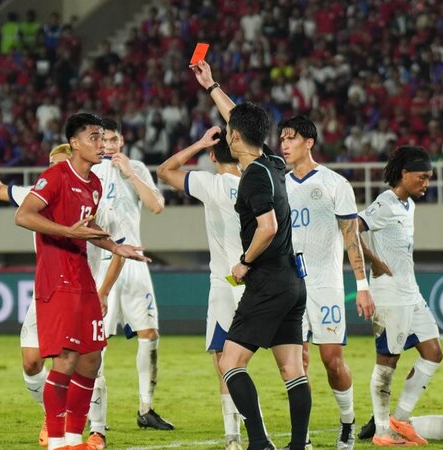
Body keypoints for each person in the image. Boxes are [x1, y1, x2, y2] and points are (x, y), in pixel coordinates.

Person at [0, 143, 125, 448]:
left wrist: (103, 291)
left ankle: (97, 431)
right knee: (31, 362)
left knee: (90, 364)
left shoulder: (97, 202)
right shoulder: (40, 192)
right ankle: (53, 413)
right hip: (48, 291)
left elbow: (119, 247)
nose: (54, 172)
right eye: (51, 166)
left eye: (60, 165)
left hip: (83, 292)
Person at [192, 60, 310, 450]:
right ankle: (297, 446)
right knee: (292, 370)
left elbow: (268, 227)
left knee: (230, 364)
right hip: (293, 283)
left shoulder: (255, 176)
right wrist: (212, 88)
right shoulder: (274, 163)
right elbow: (239, 120)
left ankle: (259, 442)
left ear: (234, 138)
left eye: (230, 131)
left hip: (267, 282)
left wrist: (244, 262)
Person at [14, 112, 149, 450]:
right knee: (66, 359)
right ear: (74, 143)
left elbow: (88, 232)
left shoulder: (95, 185)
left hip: (84, 279)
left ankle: (77, 439)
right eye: (93, 137)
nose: (101, 143)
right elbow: (23, 215)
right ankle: (58, 442)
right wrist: (67, 231)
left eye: (103, 137)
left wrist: (117, 246)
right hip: (56, 279)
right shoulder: (56, 176)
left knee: (91, 359)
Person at [278, 114, 375, 450]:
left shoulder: (336, 184)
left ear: (309, 142)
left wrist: (362, 287)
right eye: (282, 139)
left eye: (291, 138)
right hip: (291, 286)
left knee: (332, 360)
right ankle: (301, 433)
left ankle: (347, 422)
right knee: (296, 361)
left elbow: (351, 239)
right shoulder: (281, 184)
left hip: (327, 285)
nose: (284, 145)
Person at [157, 126, 250, 450]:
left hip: (225, 282)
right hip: (259, 282)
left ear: (212, 156)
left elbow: (165, 170)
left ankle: (234, 437)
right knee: (290, 358)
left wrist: (197, 143)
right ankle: (301, 439)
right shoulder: (258, 181)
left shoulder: (209, 183)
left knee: (225, 360)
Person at [87, 117, 171, 446]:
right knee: (96, 343)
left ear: (121, 141)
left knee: (150, 334)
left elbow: (157, 206)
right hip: (101, 261)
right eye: (102, 139)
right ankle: (97, 421)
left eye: (112, 139)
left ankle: (146, 408)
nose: (107, 145)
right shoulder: (89, 171)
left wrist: (131, 174)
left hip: (134, 261)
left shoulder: (135, 167)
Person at [356, 146, 442, 447]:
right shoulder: (385, 204)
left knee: (433, 352)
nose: (426, 184)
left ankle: (400, 420)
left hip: (411, 293)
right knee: (387, 361)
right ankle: (381, 431)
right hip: (389, 296)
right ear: (404, 174)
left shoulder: (409, 206)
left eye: (429, 178)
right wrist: (372, 260)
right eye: (422, 177)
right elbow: (350, 228)